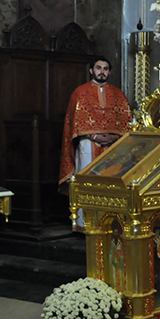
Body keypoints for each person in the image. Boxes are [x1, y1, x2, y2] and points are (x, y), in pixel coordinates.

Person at [59, 56, 132, 230]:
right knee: (86, 182)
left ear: (109, 72)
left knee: (112, 184)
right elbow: (74, 121)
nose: (102, 71)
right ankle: (85, 223)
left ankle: (110, 223)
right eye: (98, 68)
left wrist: (114, 137)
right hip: (87, 144)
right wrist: (94, 136)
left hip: (113, 147)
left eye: (105, 69)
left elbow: (126, 120)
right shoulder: (80, 92)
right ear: (91, 70)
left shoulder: (117, 94)